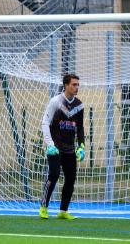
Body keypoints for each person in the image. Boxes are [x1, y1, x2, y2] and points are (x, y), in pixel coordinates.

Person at [39, 74, 85, 220]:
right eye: (74, 84)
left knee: (71, 179)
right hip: (55, 147)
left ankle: (63, 211)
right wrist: (50, 144)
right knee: (54, 175)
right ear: (66, 85)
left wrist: (81, 146)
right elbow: (45, 123)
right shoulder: (56, 102)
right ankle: (43, 207)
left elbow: (81, 127)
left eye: (78, 84)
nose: (76, 87)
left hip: (70, 148)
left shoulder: (79, 105)